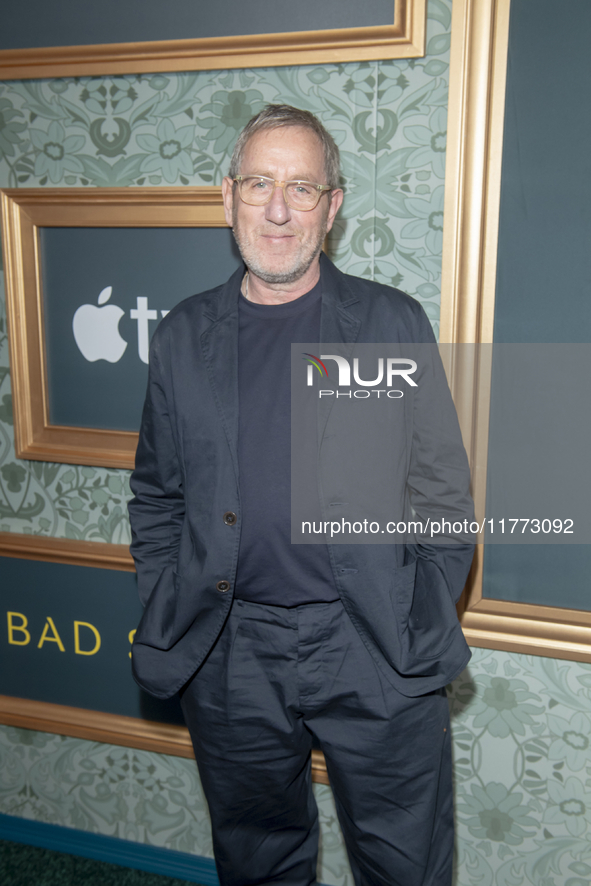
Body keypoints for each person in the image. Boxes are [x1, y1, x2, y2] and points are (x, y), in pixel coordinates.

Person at [128, 104, 474, 886]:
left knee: (405, 864)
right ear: (227, 197)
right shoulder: (183, 333)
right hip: (229, 653)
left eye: (302, 187)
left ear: (333, 206)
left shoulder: (389, 322)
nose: (277, 209)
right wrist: (165, 599)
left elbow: (443, 498)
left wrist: (413, 610)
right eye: (258, 183)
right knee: (257, 858)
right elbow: (156, 494)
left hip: (374, 646)